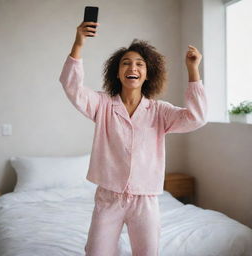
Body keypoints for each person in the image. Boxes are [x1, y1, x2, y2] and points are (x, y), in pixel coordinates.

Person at [59, 21, 207, 256]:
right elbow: (72, 86)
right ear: (117, 72)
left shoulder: (160, 111)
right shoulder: (103, 105)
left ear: (147, 74)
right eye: (126, 63)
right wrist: (79, 43)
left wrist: (193, 70)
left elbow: (196, 117)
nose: (133, 67)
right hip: (109, 197)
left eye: (140, 64)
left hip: (145, 199)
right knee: (96, 252)